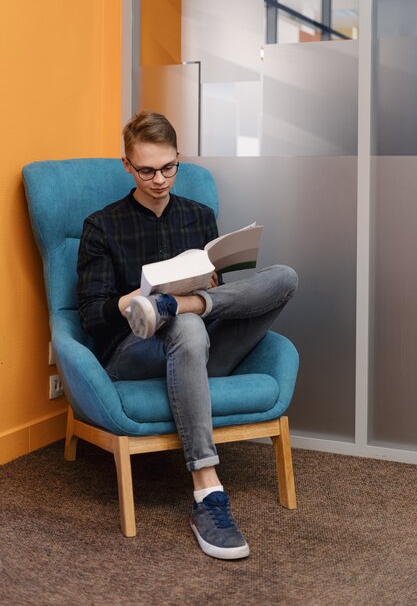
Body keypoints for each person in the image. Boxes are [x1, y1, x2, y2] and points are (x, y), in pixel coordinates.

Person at [77, 110, 298, 560]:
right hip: (131, 354)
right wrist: (134, 301)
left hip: (200, 347)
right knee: (188, 325)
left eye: (168, 167)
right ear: (127, 165)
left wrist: (200, 291)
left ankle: (180, 306)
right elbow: (90, 315)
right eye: (146, 170)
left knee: (284, 277)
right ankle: (207, 491)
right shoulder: (102, 225)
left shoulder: (199, 216)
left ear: (179, 158)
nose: (159, 179)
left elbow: (218, 278)